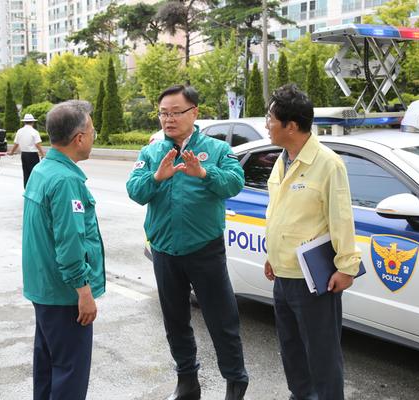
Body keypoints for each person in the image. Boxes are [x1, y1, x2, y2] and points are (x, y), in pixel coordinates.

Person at [126, 85, 249, 400]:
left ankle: (235, 383)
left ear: (194, 112)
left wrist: (204, 173)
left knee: (222, 321)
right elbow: (135, 191)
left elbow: (235, 183)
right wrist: (156, 178)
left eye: (175, 112)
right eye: (163, 113)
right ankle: (187, 381)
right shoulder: (152, 152)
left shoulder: (218, 149)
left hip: (205, 250)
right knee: (175, 320)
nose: (168, 119)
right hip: (165, 251)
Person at [263, 84, 362, 400]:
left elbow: (342, 218)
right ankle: (301, 395)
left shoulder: (327, 164)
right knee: (291, 349)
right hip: (283, 274)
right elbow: (282, 213)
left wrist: (347, 267)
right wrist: (272, 255)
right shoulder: (283, 159)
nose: (266, 124)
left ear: (291, 126)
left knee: (321, 354)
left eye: (270, 118)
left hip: (313, 280)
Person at [22, 100, 105, 400]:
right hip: (64, 295)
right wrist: (83, 291)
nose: (94, 136)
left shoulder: (43, 170)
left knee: (47, 368)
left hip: (43, 289)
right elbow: (70, 245)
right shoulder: (66, 180)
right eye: (92, 130)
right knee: (70, 374)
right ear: (79, 138)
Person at [8, 113, 45, 187]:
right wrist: (43, 154)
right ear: (33, 122)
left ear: (24, 122)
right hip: (33, 155)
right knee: (34, 172)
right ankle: (34, 188)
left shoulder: (19, 131)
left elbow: (16, 144)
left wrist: (11, 152)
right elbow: (37, 144)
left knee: (26, 172)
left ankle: (26, 188)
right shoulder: (34, 132)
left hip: (24, 155)